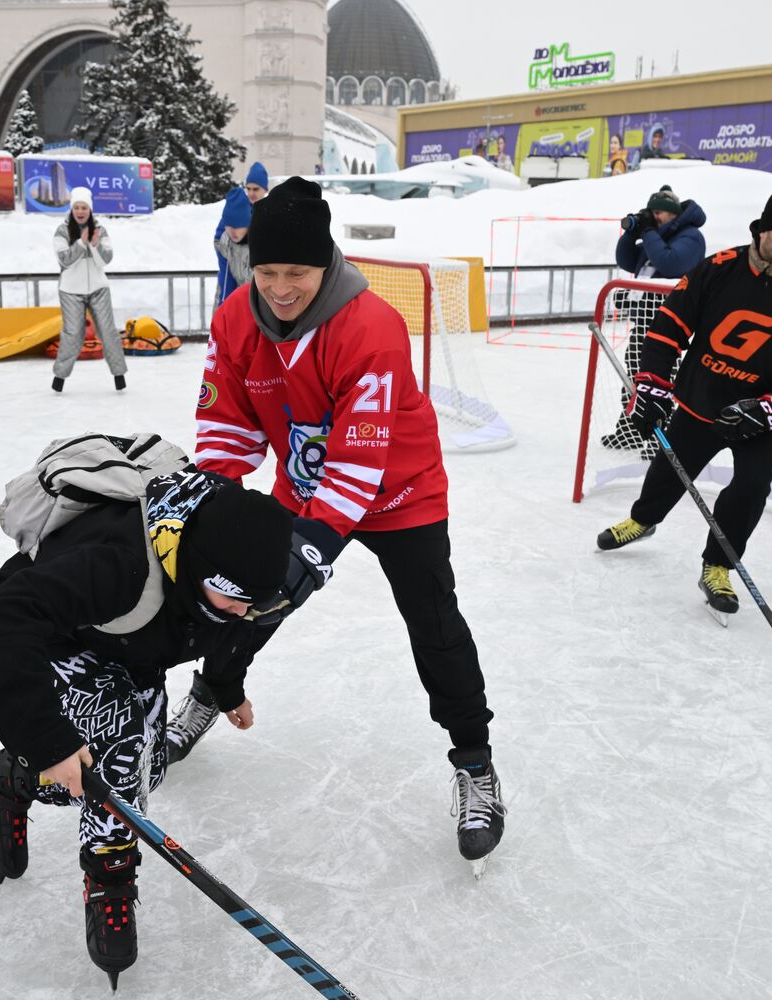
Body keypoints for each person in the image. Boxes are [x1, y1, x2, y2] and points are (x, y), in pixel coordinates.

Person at [176, 177, 507, 871]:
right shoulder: (236, 317)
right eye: (266, 271)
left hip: (399, 492)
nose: (280, 287)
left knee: (433, 621)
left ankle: (474, 762)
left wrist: (310, 550)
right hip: (304, 485)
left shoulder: (370, 326)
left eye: (295, 272)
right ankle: (211, 693)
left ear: (324, 262)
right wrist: (215, 506)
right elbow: (226, 422)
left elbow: (359, 460)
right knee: (247, 595)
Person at [0, 463, 294, 985]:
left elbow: (237, 627)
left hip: (133, 643)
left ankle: (9, 779)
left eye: (257, 599)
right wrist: (47, 740)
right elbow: (8, 617)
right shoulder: (120, 567)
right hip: (61, 636)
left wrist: (226, 686)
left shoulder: (238, 593)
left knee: (144, 770)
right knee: (119, 744)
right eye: (230, 592)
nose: (241, 608)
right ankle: (109, 876)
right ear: (196, 563)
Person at [595, 175, 772, 619]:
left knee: (750, 488)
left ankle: (718, 566)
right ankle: (644, 519)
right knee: (671, 467)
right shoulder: (720, 267)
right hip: (700, 398)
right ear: (763, 230)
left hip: (762, 416)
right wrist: (652, 382)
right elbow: (670, 324)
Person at [602, 187, 707, 449]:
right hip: (644, 320)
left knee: (661, 381)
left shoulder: (691, 237)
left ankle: (661, 439)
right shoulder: (657, 238)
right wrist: (632, 232)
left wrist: (648, 232)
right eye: (652, 212)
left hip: (670, 325)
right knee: (634, 375)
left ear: (673, 214)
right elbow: (626, 260)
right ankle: (630, 430)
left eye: (658, 212)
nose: (654, 217)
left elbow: (670, 263)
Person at [50, 188, 126, 393]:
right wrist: (81, 243)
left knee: (108, 332)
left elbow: (106, 260)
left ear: (90, 210)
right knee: (73, 333)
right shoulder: (62, 231)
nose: (80, 211)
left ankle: (119, 375)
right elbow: (64, 259)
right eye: (77, 207)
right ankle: (59, 377)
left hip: (98, 288)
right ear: (72, 209)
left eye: (84, 207)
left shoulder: (100, 230)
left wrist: (94, 244)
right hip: (70, 290)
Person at [214, 162, 267, 305]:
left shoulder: (270, 213)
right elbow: (221, 240)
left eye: (256, 189)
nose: (251, 193)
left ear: (265, 190)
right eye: (248, 188)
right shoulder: (238, 208)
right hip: (239, 285)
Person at [213, 187, 252, 304]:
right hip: (239, 304)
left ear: (247, 224)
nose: (233, 232)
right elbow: (225, 283)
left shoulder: (261, 242)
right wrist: (222, 313)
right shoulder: (226, 243)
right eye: (229, 227)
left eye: (238, 226)